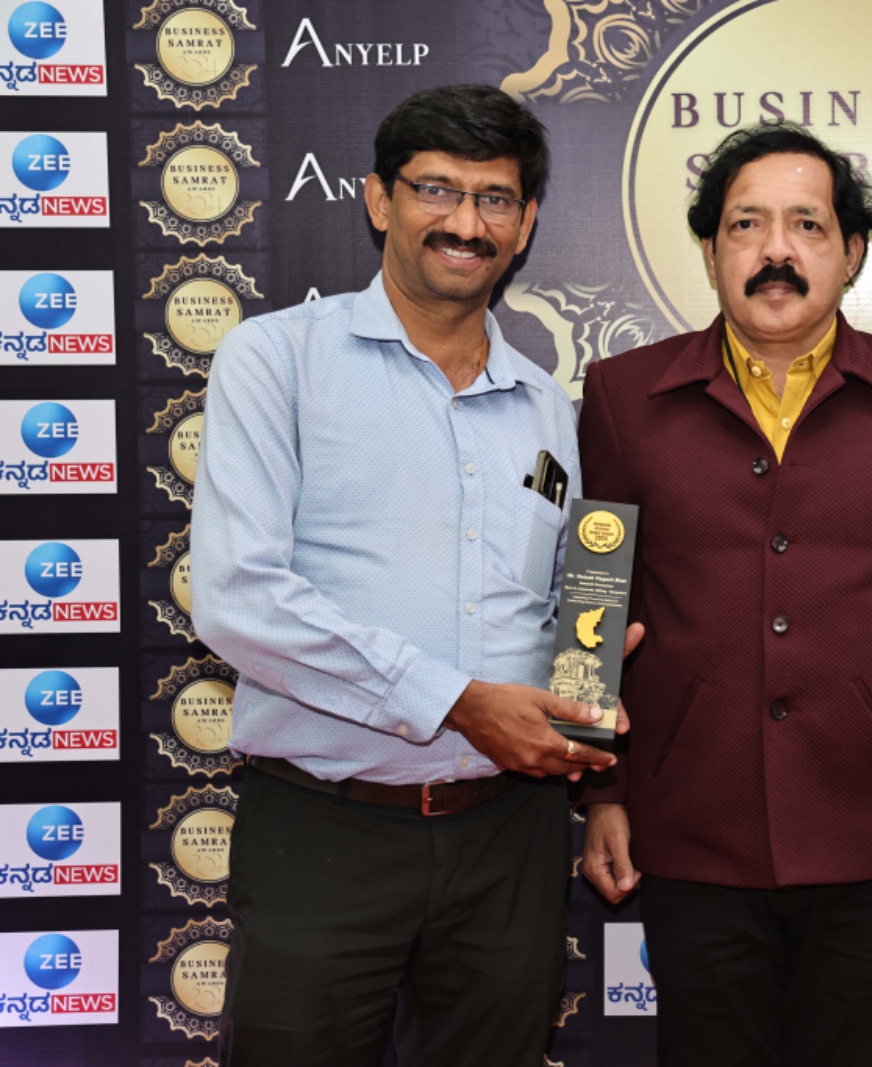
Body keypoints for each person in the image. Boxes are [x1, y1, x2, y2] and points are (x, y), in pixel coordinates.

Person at [191, 84, 639, 1067]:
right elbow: (238, 597)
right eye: (436, 189)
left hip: (509, 836)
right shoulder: (276, 361)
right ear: (378, 199)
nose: (465, 223)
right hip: (325, 829)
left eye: (494, 199)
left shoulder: (544, 407)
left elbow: (551, 606)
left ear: (525, 224)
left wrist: (584, 678)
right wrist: (460, 702)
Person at [577, 123, 872, 1067]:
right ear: (711, 250)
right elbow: (592, 608)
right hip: (689, 821)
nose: (776, 250)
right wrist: (602, 791)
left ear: (852, 250)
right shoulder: (624, 396)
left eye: (807, 224)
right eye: (746, 224)